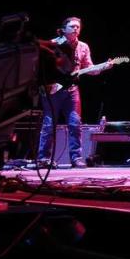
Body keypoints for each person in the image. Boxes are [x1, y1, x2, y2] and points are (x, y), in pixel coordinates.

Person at [37, 17, 111, 168]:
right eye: (72, 26)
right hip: (53, 90)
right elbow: (42, 69)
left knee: (75, 124)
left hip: (72, 90)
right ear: (63, 29)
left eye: (78, 27)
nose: (76, 29)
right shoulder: (53, 44)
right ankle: (43, 158)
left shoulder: (83, 46)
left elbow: (89, 69)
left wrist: (104, 66)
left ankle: (76, 158)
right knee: (49, 124)